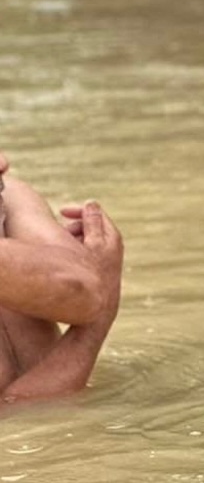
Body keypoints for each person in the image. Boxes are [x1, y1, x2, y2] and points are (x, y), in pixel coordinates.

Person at [0, 153, 124, 401]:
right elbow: (22, 411)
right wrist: (96, 326)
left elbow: (84, 291)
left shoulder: (10, 197)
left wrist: (101, 285)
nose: (3, 162)